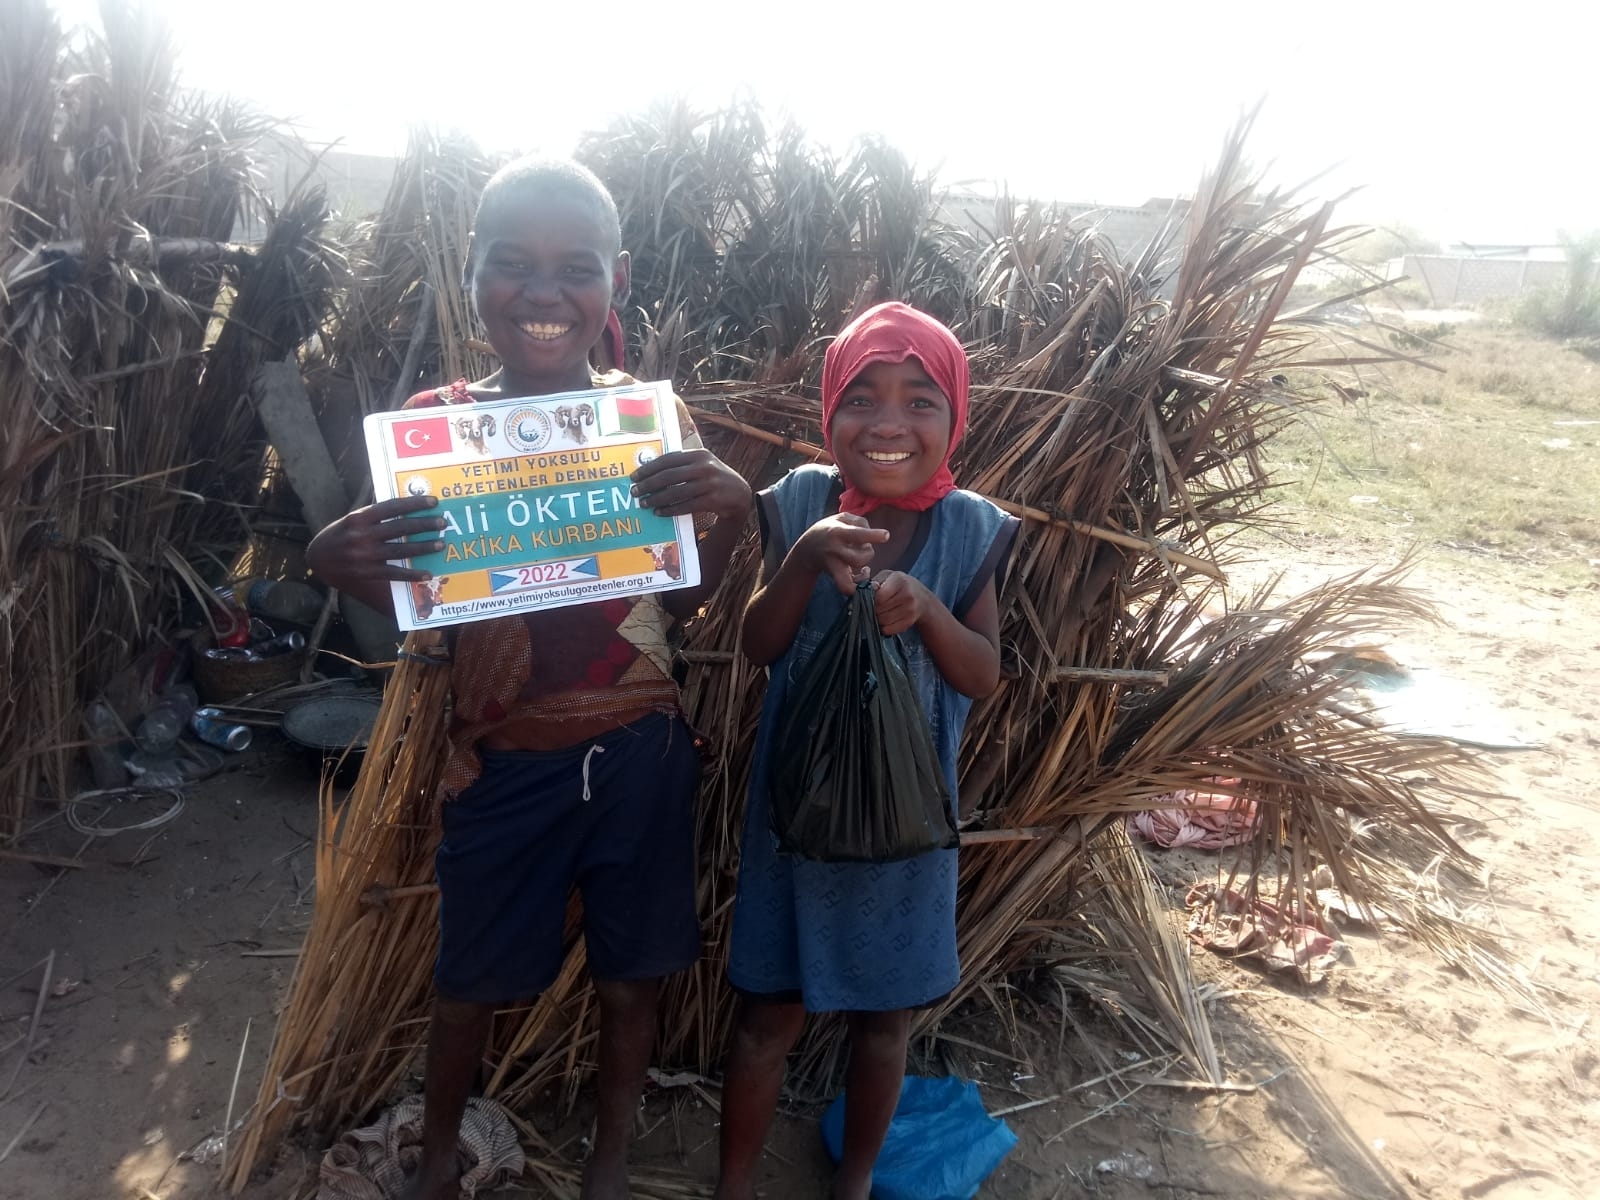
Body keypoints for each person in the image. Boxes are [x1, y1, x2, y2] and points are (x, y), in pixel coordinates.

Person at [305, 157, 752, 1200]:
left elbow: (684, 602)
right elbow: (420, 597)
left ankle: (608, 1165)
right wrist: (332, 560)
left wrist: (729, 516)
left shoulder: (648, 427)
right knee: (468, 979)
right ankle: (437, 1162)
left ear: (616, 281)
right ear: (472, 274)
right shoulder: (437, 432)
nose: (543, 294)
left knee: (632, 977)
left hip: (640, 754)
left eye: (575, 269)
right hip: (501, 761)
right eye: (513, 264)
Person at [716, 302, 1019, 1200]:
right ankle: (735, 1185)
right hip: (796, 825)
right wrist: (802, 560)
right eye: (862, 398)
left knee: (884, 1025)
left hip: (906, 834)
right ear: (829, 412)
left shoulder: (970, 528)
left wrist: (927, 612)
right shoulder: (798, 505)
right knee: (766, 1018)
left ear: (954, 417)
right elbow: (758, 645)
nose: (889, 423)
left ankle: (853, 1184)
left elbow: (984, 674)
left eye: (920, 401)